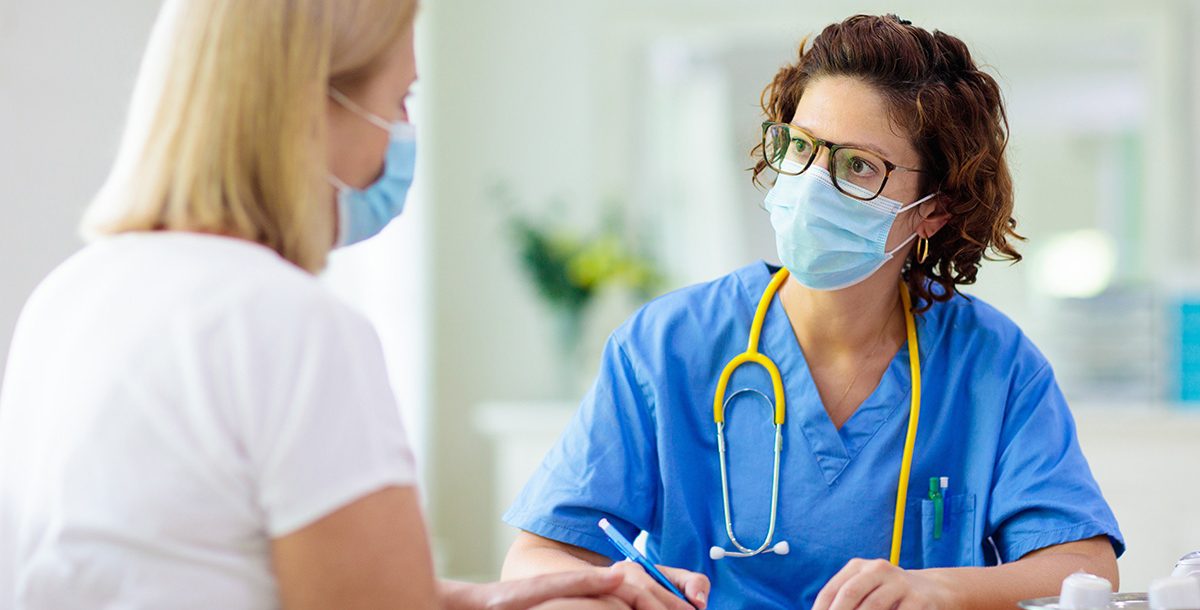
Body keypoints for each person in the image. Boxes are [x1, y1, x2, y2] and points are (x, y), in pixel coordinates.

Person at [0, 1, 710, 608]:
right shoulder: (289, 324)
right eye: (398, 101)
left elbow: (194, 569)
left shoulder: (71, 294)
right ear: (306, 103)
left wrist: (482, 596)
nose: (401, 136)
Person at [501, 14, 1124, 610]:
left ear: (934, 208)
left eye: (858, 166)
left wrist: (940, 591)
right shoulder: (668, 345)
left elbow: (1085, 569)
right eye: (799, 147)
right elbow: (537, 557)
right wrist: (621, 590)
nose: (811, 183)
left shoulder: (991, 364)